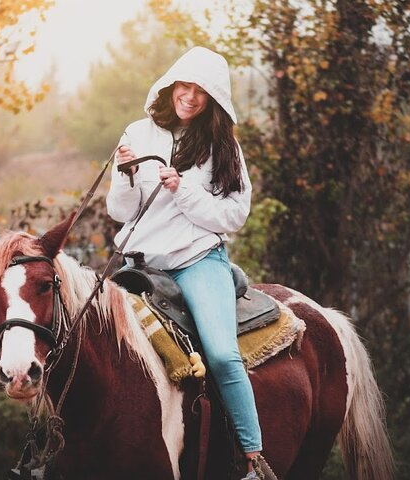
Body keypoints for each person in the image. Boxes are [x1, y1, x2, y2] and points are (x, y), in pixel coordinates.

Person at [106, 47, 276, 479]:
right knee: (88, 338)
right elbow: (119, 211)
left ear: (213, 99)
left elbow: (233, 216)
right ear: (170, 86)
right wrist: (126, 175)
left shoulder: (223, 148)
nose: (190, 97)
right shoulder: (137, 133)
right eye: (184, 86)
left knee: (221, 355)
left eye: (201, 92)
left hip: (196, 261)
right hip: (139, 264)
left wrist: (183, 190)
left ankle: (254, 460)